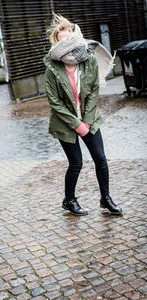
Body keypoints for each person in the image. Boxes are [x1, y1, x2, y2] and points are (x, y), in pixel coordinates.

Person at [43, 14, 122, 216]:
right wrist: (77, 124)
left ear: (75, 37)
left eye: (69, 38)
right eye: (62, 41)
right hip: (65, 123)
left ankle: (106, 199)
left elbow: (94, 89)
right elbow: (55, 102)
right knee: (76, 163)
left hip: (89, 118)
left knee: (100, 159)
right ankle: (69, 200)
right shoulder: (52, 68)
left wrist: (86, 119)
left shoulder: (88, 60)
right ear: (57, 45)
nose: (67, 44)